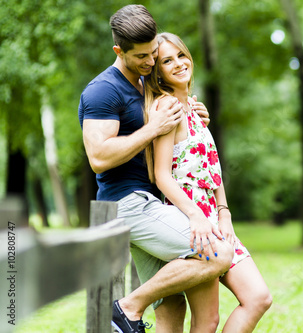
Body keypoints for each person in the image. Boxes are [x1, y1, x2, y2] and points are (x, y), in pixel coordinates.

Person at [78, 5, 233, 333]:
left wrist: (192, 120)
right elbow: (99, 157)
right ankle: (126, 307)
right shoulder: (103, 90)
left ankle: (128, 309)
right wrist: (153, 128)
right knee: (218, 253)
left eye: (153, 54)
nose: (150, 62)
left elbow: (168, 130)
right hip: (127, 203)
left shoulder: (145, 83)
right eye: (142, 57)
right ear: (119, 51)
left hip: (155, 202)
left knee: (172, 304)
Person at [143, 32, 272, 333]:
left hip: (215, 216)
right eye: (166, 61)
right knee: (207, 320)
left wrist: (224, 213)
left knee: (258, 298)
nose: (177, 63)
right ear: (158, 72)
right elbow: (162, 176)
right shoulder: (167, 108)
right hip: (191, 218)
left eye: (181, 55)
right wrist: (196, 217)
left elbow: (212, 168)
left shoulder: (193, 108)